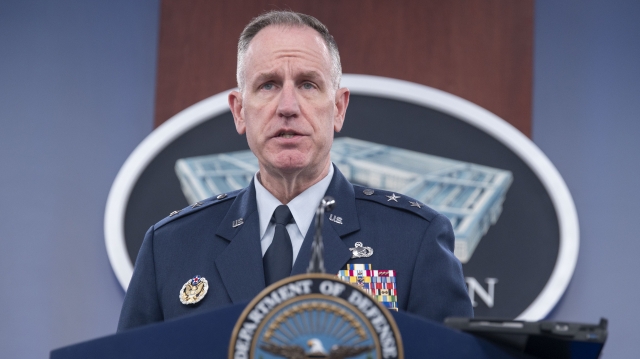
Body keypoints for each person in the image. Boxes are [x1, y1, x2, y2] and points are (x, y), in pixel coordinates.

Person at [117, 11, 473, 332]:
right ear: (240, 111)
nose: (288, 107)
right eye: (268, 85)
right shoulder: (169, 248)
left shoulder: (414, 240)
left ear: (338, 107)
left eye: (307, 84)